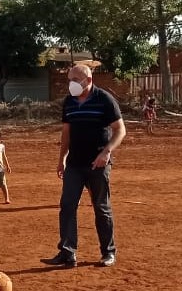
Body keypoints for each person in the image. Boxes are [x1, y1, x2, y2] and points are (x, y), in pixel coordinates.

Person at [42, 64, 126, 269]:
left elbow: (120, 130)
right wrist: (62, 158)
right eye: (69, 79)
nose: (71, 84)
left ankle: (108, 252)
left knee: (101, 208)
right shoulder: (69, 102)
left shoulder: (104, 99)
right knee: (67, 206)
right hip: (74, 164)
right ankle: (67, 252)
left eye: (75, 79)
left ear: (88, 80)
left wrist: (106, 153)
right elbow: (66, 132)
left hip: (98, 164)